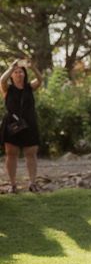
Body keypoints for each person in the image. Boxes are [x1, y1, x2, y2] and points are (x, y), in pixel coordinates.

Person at [1, 59, 44, 194]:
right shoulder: (7, 89)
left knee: (30, 154)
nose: (19, 74)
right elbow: (2, 80)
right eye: (16, 72)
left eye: (21, 72)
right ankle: (13, 185)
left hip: (29, 124)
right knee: (11, 154)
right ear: (12, 75)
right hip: (12, 124)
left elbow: (40, 80)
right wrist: (11, 67)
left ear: (24, 75)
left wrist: (33, 68)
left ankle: (32, 183)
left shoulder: (30, 87)